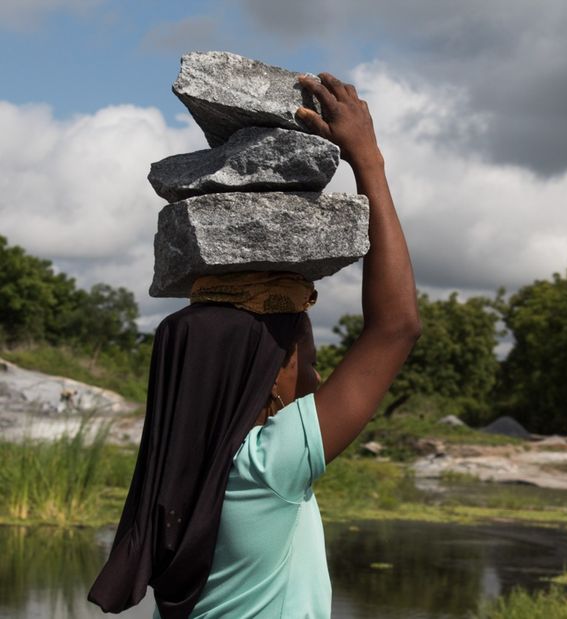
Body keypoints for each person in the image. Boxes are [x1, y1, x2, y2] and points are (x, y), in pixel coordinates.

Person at [87, 72, 420, 619]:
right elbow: (396, 328)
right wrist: (369, 161)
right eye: (301, 357)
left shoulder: (172, 477)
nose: (315, 376)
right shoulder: (264, 467)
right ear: (262, 377)